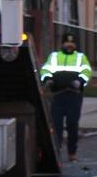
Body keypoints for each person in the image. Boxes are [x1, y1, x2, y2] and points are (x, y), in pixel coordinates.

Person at [40, 31, 93, 163]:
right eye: (67, 42)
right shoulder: (54, 56)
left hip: (74, 95)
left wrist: (80, 81)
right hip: (57, 95)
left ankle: (72, 152)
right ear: (62, 44)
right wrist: (47, 79)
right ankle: (56, 152)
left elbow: (87, 71)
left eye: (72, 43)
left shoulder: (80, 57)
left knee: (72, 124)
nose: (69, 45)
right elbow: (45, 69)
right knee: (56, 125)